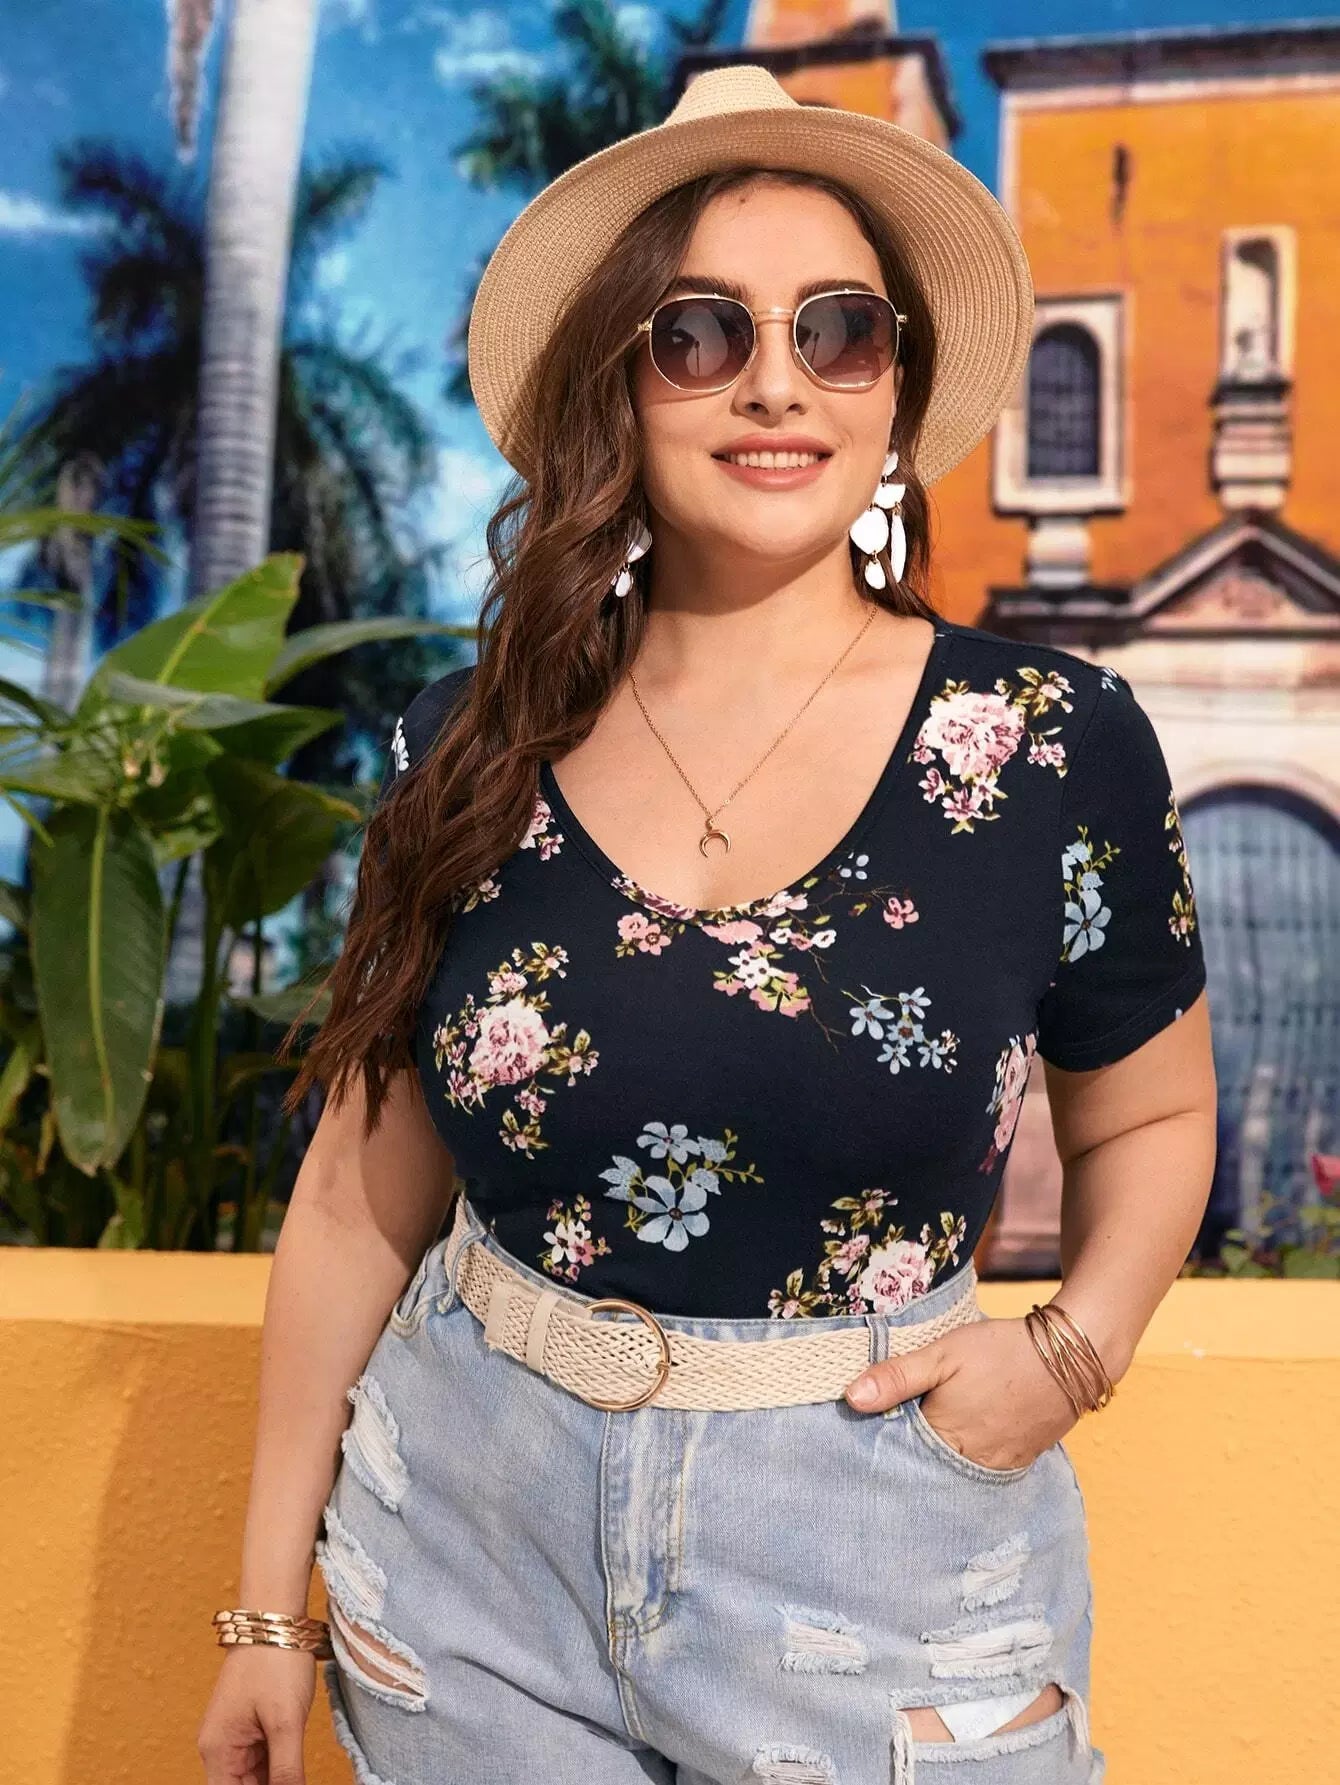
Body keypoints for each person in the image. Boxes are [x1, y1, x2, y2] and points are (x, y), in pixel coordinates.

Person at [197, 65, 1217, 1785]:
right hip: (470, 1552)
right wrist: (261, 1616)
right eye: (700, 332)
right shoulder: (469, 745)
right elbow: (360, 1197)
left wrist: (1067, 1355)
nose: (776, 382)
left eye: (840, 331)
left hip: (884, 1546)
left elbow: (1158, 1115)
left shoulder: (1050, 743)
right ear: (619, 377)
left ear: (897, 387)